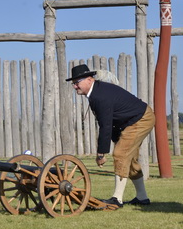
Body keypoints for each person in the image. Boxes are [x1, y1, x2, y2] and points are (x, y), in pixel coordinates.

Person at [66, 64, 155, 208]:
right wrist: (116, 140)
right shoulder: (96, 93)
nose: (75, 86)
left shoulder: (99, 96)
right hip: (130, 121)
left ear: (89, 80)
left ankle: (116, 199)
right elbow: (111, 121)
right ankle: (142, 198)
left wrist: (101, 153)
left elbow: (106, 125)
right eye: (73, 83)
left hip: (141, 119)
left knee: (120, 154)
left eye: (77, 82)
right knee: (129, 159)